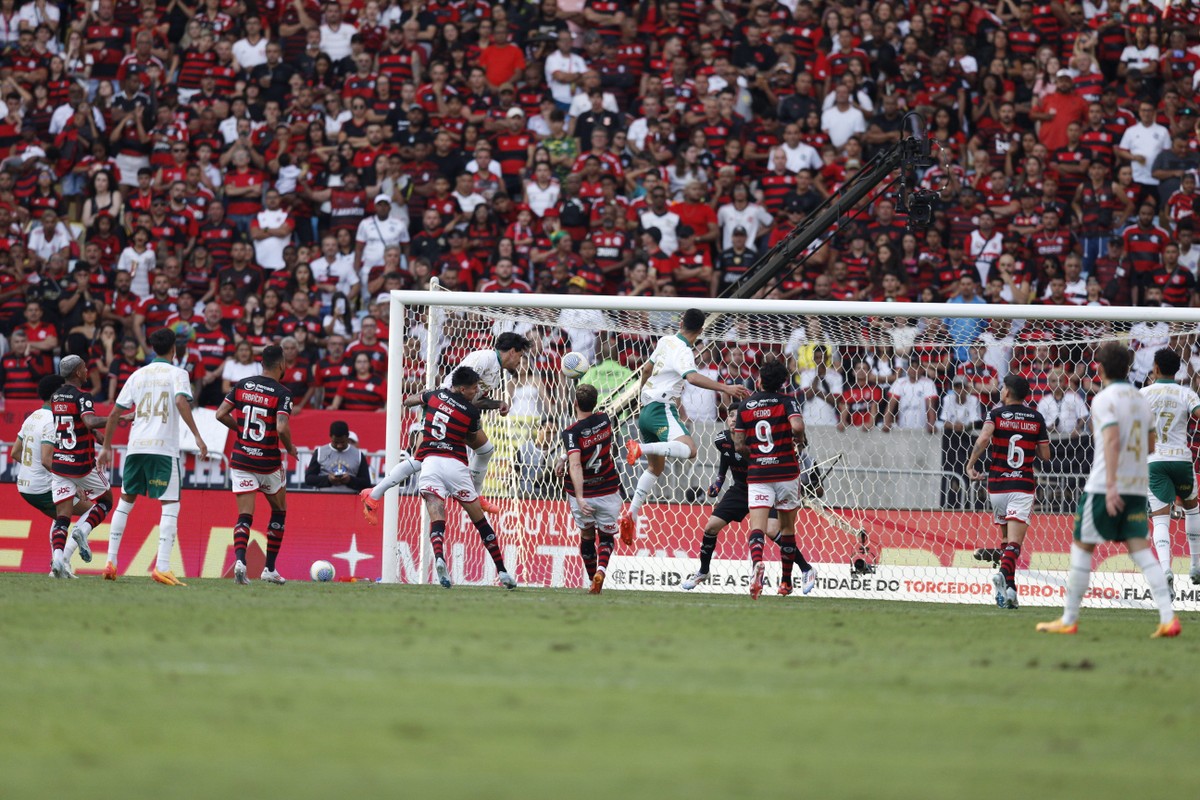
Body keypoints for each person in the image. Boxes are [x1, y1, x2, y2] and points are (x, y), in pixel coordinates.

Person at [1037, 342, 1179, 637]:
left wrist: (1112, 486)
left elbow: (1112, 440)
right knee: (1141, 550)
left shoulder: (1103, 399)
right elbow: (1152, 444)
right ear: (1128, 367)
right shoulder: (1141, 400)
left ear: (1100, 368)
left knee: (1082, 546)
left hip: (1105, 487)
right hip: (1137, 487)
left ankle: (1069, 619)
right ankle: (1168, 618)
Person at [359, 331, 531, 522]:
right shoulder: (483, 358)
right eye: (521, 356)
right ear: (513, 351)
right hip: (442, 409)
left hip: (459, 413)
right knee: (420, 459)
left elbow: (475, 400)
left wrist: (497, 404)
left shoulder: (497, 375)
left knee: (485, 450)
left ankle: (476, 494)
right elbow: (457, 385)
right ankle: (374, 494)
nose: (520, 362)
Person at [622, 309, 749, 541]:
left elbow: (647, 369)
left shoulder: (664, 340)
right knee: (690, 450)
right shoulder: (684, 351)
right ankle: (641, 448)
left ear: (681, 322)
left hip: (646, 410)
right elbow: (691, 377)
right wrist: (726, 388)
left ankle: (631, 514)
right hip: (662, 408)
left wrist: (642, 395)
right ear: (701, 330)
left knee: (655, 469)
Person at [97, 327, 210, 585]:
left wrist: (106, 446)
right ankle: (162, 566)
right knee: (170, 505)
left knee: (125, 502)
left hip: (136, 446)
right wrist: (197, 435)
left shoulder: (137, 375)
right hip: (163, 449)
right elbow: (182, 401)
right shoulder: (178, 373)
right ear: (174, 349)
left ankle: (110, 562)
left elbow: (115, 413)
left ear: (151, 348)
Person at [403, 366, 517, 590]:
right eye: (474, 388)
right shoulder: (471, 412)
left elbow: (409, 400)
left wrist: (423, 402)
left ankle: (439, 557)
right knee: (480, 522)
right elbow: (471, 437)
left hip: (431, 463)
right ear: (462, 389)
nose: (477, 391)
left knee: (437, 515)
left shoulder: (433, 395)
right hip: (455, 464)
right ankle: (503, 572)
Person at [732, 360, 817, 598]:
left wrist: (757, 455)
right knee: (787, 528)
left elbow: (739, 444)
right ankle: (786, 582)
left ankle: (757, 564)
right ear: (783, 382)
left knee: (757, 527)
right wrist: (797, 440)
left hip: (759, 473)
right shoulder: (787, 401)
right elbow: (798, 426)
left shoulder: (746, 404)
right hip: (786, 472)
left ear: (759, 380)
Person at [964, 375, 1050, 610]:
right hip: (1021, 485)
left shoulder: (996, 414)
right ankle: (1003, 573)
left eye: (1002, 388)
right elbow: (1046, 455)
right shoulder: (1036, 417)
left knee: (1005, 541)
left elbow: (983, 439)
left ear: (1007, 393)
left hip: (997, 485)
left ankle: (1009, 593)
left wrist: (970, 464)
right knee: (1015, 543)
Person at [215, 344, 298, 585]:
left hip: (241, 458)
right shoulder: (283, 393)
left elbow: (220, 414)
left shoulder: (242, 384)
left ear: (262, 363)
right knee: (279, 510)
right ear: (282, 364)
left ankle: (240, 561)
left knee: (244, 515)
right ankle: (269, 568)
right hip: (268, 462)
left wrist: (241, 430)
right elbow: (281, 426)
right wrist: (290, 448)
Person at [681, 408, 782, 591]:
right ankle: (703, 571)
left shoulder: (754, 440)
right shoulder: (722, 440)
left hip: (761, 487)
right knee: (711, 526)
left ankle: (804, 567)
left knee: (771, 531)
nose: (734, 419)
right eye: (731, 415)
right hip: (740, 490)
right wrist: (718, 482)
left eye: (738, 415)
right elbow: (726, 459)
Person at [12, 375, 91, 573]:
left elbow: (15, 452)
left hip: (24, 486)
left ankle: (57, 565)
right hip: (41, 487)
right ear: (56, 394)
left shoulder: (33, 416)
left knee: (60, 517)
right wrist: (76, 483)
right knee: (93, 510)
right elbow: (48, 460)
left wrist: (32, 468)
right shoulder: (51, 420)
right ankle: (63, 559)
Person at [47, 355, 114, 579]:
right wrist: (119, 417)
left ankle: (57, 560)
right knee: (106, 501)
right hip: (81, 465)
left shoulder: (56, 396)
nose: (88, 371)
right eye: (85, 368)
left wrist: (93, 434)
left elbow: (73, 424)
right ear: (77, 372)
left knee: (62, 516)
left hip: (60, 463)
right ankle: (82, 531)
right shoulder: (82, 396)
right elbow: (89, 421)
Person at [1139, 349, 1200, 590]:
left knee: (1160, 518)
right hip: (1182, 460)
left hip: (1155, 461)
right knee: (1192, 510)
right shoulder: (1187, 393)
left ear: (1155, 368)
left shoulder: (1143, 394)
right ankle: (1195, 566)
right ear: (1178, 369)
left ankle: (1165, 569)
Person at [561, 384, 622, 594]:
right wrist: (564, 457)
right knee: (605, 537)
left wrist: (579, 497)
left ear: (575, 403)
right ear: (595, 403)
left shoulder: (570, 433)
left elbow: (576, 464)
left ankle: (591, 580)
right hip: (607, 489)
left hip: (584, 494)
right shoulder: (605, 419)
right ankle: (601, 571)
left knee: (587, 536)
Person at [304, 420, 372, 493]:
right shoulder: (320, 452)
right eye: (336, 442)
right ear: (330, 436)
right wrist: (328, 479)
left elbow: (366, 483)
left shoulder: (358, 455)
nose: (339, 445)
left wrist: (350, 480)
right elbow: (309, 479)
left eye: (342, 442)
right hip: (324, 497)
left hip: (350, 499)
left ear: (347, 436)